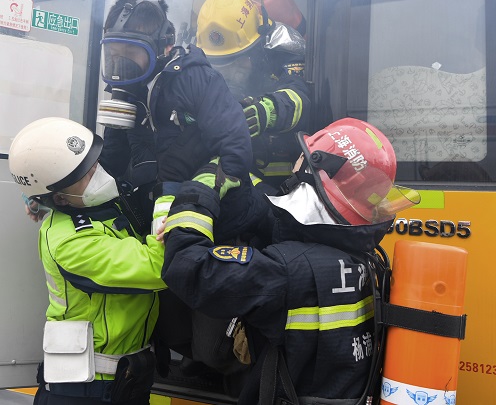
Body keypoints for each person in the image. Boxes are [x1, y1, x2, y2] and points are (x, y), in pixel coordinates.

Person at [158, 118, 421, 404]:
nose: (295, 162)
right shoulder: (365, 259)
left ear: (310, 168)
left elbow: (188, 268)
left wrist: (194, 198)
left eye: (302, 155)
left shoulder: (283, 272)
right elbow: (285, 224)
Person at [8, 117, 167, 405]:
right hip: (86, 390)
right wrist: (170, 202)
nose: (99, 172)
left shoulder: (91, 206)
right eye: (87, 173)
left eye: (94, 164)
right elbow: (158, 267)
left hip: (122, 382)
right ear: (60, 198)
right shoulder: (71, 242)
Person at [98, 0, 269, 244]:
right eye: (113, 53)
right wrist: (62, 193)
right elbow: (112, 162)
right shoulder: (127, 91)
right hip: (155, 219)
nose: (121, 64)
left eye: (131, 52)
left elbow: (235, 152)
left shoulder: (198, 80)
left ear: (164, 47)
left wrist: (192, 203)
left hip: (217, 222)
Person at [196, 0, 312, 193]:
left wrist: (268, 110)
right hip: (229, 182)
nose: (231, 70)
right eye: (220, 63)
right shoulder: (194, 67)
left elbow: (300, 98)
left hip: (284, 185)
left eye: (239, 58)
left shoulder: (283, 54)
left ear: (257, 46)